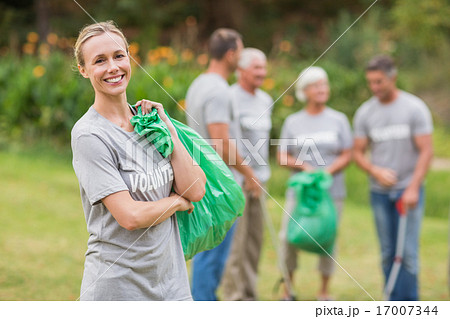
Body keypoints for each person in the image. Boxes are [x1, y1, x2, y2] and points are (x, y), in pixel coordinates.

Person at [71, 21, 206, 300]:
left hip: (172, 285)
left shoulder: (149, 124)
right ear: (84, 70)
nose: (113, 67)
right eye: (99, 61)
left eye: (119, 56)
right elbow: (130, 216)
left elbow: (195, 189)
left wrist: (169, 129)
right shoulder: (89, 135)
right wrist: (176, 203)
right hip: (119, 289)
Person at [186, 29, 261, 301]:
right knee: (213, 254)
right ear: (230, 55)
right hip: (217, 184)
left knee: (206, 251)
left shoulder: (199, 83)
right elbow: (220, 143)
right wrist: (249, 173)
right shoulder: (219, 90)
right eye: (240, 53)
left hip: (200, 178)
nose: (241, 58)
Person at [353, 55, 433, 301]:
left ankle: (410, 304)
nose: (375, 87)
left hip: (409, 192)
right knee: (388, 252)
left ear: (393, 78)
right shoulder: (365, 112)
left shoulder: (414, 108)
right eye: (371, 82)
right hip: (379, 193)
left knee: (407, 253)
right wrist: (374, 170)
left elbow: (427, 151)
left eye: (380, 82)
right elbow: (357, 152)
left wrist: (413, 188)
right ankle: (392, 302)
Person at [277, 66, 353, 301]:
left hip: (331, 191)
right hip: (300, 191)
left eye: (324, 84)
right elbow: (282, 156)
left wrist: (327, 171)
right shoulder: (293, 121)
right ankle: (287, 289)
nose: (322, 89)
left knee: (327, 238)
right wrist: (306, 167)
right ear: (304, 91)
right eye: (316, 85)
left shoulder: (338, 119)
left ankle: (324, 291)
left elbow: (347, 153)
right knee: (289, 237)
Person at [221, 48, 273, 301]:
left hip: (260, 181)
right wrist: (247, 175)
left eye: (263, 67)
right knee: (236, 245)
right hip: (238, 181)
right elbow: (227, 142)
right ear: (240, 70)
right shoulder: (229, 97)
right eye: (256, 68)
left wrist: (260, 177)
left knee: (254, 243)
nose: (262, 73)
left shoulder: (265, 100)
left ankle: (250, 296)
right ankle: (234, 298)